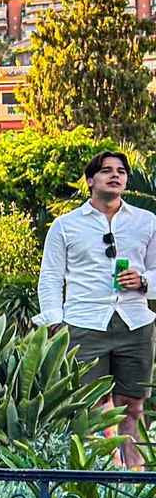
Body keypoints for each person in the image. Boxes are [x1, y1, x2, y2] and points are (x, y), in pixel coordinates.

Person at [38, 149, 156, 467]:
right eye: (106, 170)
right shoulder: (65, 226)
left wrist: (143, 281)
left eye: (121, 171)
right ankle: (96, 482)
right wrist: (54, 323)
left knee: (132, 407)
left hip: (136, 324)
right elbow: (50, 277)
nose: (115, 175)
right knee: (87, 410)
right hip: (83, 324)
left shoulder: (147, 222)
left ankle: (136, 482)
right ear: (91, 180)